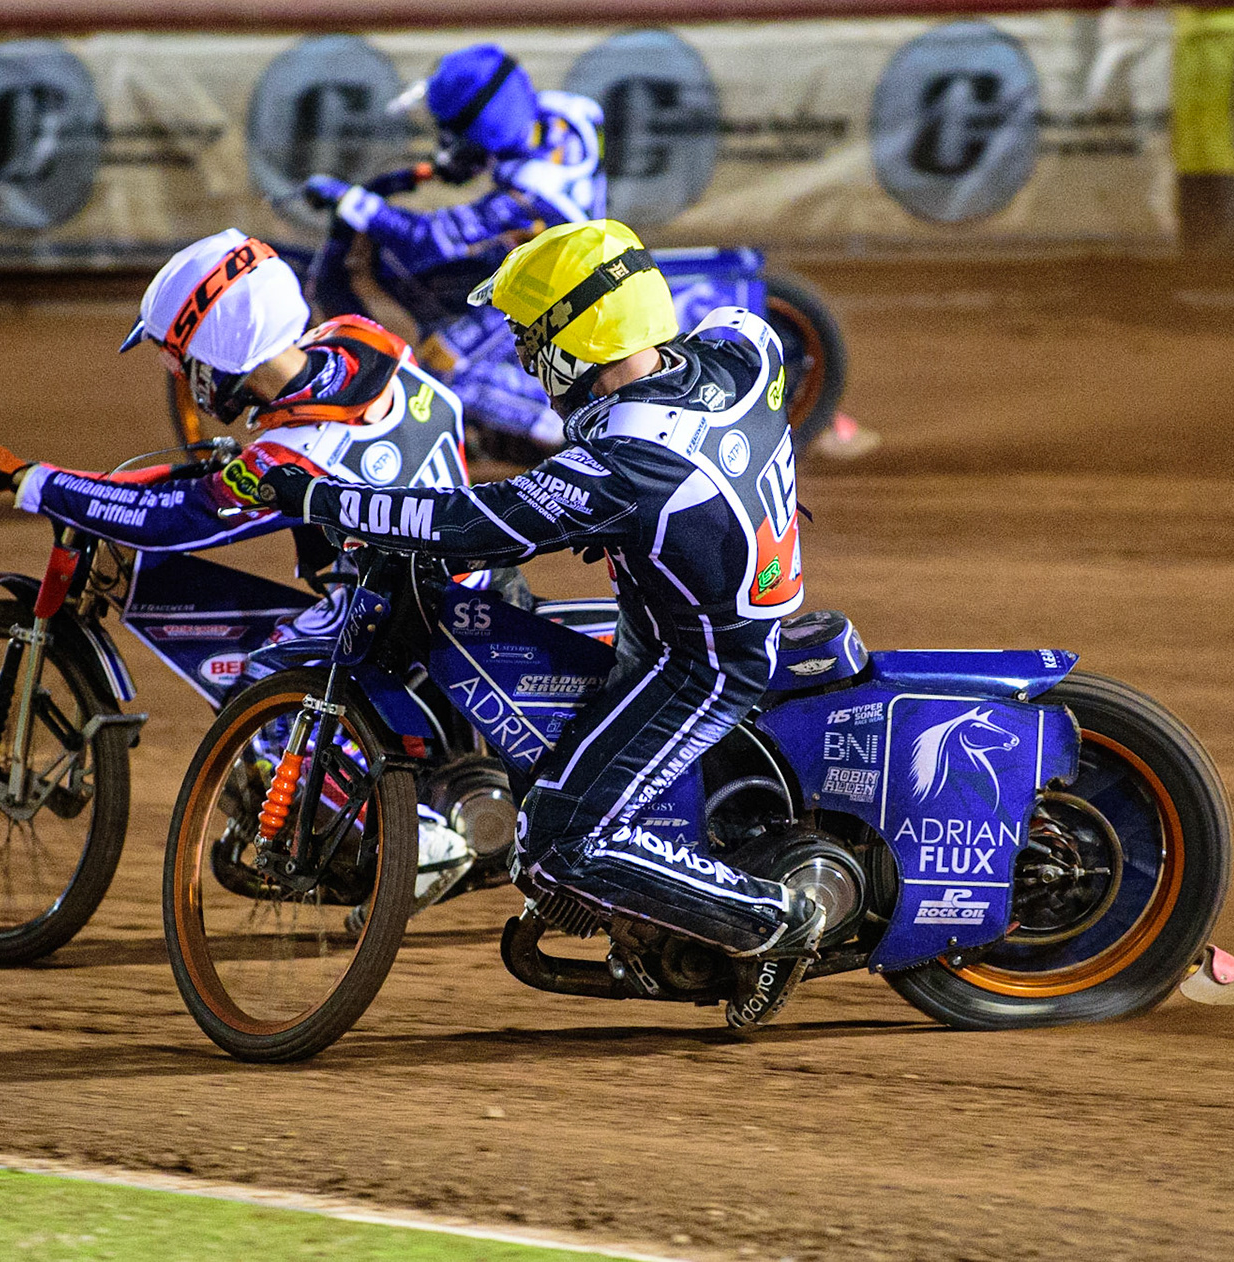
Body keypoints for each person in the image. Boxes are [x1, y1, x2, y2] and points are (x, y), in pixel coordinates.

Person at [255, 219, 829, 1024]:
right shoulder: (740, 345)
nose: (525, 356)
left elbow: (469, 522)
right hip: (706, 599)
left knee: (558, 842)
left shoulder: (629, 461)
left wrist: (312, 496)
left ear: (575, 340)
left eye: (531, 336)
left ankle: (771, 919)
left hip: (696, 659)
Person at [0, 227, 482, 906]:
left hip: (406, 610)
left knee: (260, 679)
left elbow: (173, 520)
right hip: (475, 573)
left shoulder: (294, 453)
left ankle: (422, 837)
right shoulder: (362, 340)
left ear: (214, 359)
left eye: (182, 361)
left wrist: (38, 481)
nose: (182, 378)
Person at [301, 43, 604, 452]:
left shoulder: (526, 195)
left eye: (455, 133)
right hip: (564, 245)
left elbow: (430, 236)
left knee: (442, 365)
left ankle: (561, 424)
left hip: (554, 291)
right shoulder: (568, 112)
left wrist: (353, 201)